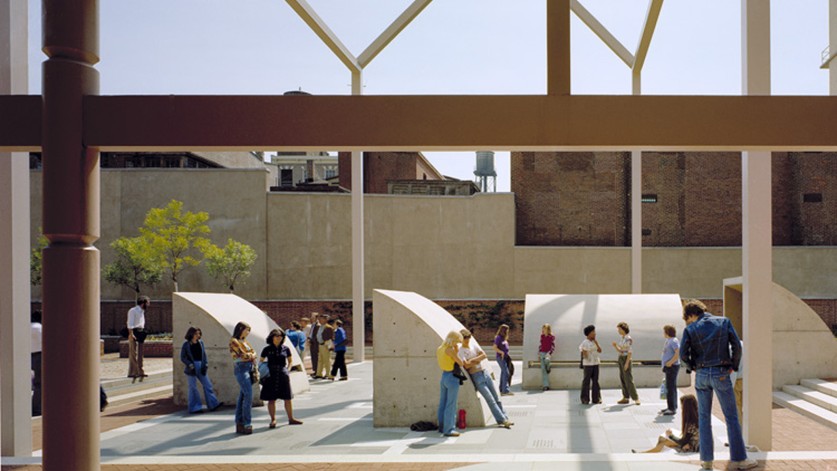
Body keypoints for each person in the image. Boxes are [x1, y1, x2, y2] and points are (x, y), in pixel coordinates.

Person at [680, 299, 758, 470]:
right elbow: (737, 346)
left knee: (704, 418)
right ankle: (739, 459)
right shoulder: (723, 321)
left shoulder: (690, 329)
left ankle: (707, 460)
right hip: (721, 372)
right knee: (731, 417)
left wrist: (694, 367)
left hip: (701, 375)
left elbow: (683, 355)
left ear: (692, 314)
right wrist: (733, 366)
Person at [458, 329, 512, 428]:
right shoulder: (460, 351)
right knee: (490, 399)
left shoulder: (473, 346)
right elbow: (466, 365)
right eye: (465, 340)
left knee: (496, 398)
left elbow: (484, 355)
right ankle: (503, 420)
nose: (467, 342)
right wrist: (477, 360)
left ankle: (504, 417)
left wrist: (472, 360)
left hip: (484, 372)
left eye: (468, 340)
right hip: (476, 376)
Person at [260, 328, 303, 428]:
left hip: (282, 374)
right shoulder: (267, 349)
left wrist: (288, 369)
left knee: (287, 398)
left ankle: (291, 418)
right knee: (271, 399)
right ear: (272, 337)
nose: (279, 338)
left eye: (281, 336)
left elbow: (290, 361)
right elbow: (261, 361)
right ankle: (273, 419)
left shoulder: (286, 349)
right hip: (270, 375)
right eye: (277, 336)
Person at [633, 394, 699, 454]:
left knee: (664, 443)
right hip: (690, 441)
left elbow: (683, 442)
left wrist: (671, 436)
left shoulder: (691, 423)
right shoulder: (697, 417)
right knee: (662, 439)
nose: (681, 408)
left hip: (690, 446)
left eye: (682, 405)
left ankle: (643, 453)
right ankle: (652, 452)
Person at [180, 326, 222, 414]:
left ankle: (213, 404)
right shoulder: (186, 344)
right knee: (193, 387)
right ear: (191, 334)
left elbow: (204, 355)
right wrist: (190, 365)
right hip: (191, 367)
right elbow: (183, 357)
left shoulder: (201, 343)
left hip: (201, 365)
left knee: (208, 385)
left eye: (199, 333)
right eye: (196, 334)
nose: (198, 335)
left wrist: (205, 365)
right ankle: (195, 407)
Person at [229, 321, 257, 435]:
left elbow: (253, 352)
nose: (248, 332)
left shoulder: (245, 341)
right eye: (247, 329)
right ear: (240, 329)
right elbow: (243, 355)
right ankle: (247, 422)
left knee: (243, 395)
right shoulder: (234, 341)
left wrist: (251, 355)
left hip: (249, 368)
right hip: (241, 368)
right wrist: (252, 356)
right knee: (248, 396)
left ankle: (239, 421)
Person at [437, 330, 465, 437]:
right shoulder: (450, 350)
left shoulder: (440, 349)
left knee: (443, 403)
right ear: (453, 340)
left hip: (444, 376)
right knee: (451, 404)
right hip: (452, 377)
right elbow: (460, 362)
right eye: (457, 341)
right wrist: (456, 350)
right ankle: (449, 429)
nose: (457, 344)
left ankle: (442, 427)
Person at [612, 322, 640, 405]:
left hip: (626, 358)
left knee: (628, 379)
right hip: (621, 358)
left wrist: (627, 363)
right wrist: (615, 346)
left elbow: (630, 352)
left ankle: (636, 398)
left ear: (623, 329)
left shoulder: (628, 339)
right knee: (623, 378)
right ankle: (625, 397)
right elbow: (621, 350)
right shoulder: (622, 338)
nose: (618, 331)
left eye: (619, 329)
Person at [127, 296, 150, 381]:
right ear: (143, 303)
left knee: (140, 353)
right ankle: (133, 372)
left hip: (141, 332)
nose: (148, 304)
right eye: (147, 303)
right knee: (133, 353)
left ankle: (140, 371)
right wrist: (131, 334)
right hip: (134, 332)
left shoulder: (142, 312)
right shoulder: (133, 311)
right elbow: (130, 323)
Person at [660, 324, 681, 416]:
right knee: (670, 386)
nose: (663, 333)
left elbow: (677, 353)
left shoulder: (673, 341)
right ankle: (671, 406)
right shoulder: (668, 341)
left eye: (664, 331)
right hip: (668, 367)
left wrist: (670, 362)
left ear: (667, 332)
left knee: (671, 387)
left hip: (672, 367)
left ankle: (672, 408)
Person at [579, 324, 602, 405]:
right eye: (593, 332)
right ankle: (585, 399)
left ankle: (596, 398)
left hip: (595, 363)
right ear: (589, 333)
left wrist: (596, 343)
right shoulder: (585, 343)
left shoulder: (594, 341)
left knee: (595, 381)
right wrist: (586, 356)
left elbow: (600, 350)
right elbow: (583, 352)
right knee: (586, 381)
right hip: (588, 364)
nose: (595, 333)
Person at [493, 324, 513, 396]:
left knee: (503, 372)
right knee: (506, 372)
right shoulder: (498, 338)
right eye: (506, 330)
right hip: (500, 357)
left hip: (505, 357)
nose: (507, 332)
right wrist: (501, 352)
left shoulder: (504, 338)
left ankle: (501, 389)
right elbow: (494, 347)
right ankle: (505, 390)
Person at [31, 310, 43, 416]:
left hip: (31, 355)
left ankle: (35, 406)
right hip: (41, 355)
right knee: (41, 383)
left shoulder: (28, 327)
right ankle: (37, 407)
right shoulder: (39, 328)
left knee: (37, 383)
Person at [315, 315, 334, 379]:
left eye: (322, 319)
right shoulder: (320, 327)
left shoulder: (329, 327)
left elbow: (331, 337)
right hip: (320, 344)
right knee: (320, 360)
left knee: (327, 360)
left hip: (325, 345)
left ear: (326, 319)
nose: (320, 320)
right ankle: (319, 373)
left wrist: (328, 344)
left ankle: (328, 374)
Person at [539, 324, 555, 391]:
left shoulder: (551, 337)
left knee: (547, 360)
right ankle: (546, 385)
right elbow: (541, 345)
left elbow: (553, 346)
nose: (543, 330)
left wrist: (550, 352)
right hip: (542, 352)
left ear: (548, 329)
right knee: (543, 370)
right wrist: (539, 352)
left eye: (544, 328)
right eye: (543, 328)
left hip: (548, 352)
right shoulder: (542, 336)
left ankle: (548, 367)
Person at [308, 312, 321, 378]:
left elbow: (317, 336)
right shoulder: (312, 325)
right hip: (312, 343)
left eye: (313, 317)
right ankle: (315, 371)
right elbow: (311, 334)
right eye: (311, 316)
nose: (311, 318)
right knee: (313, 357)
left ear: (316, 318)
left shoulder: (318, 325)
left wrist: (311, 340)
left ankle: (317, 372)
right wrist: (309, 338)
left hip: (315, 344)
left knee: (316, 358)